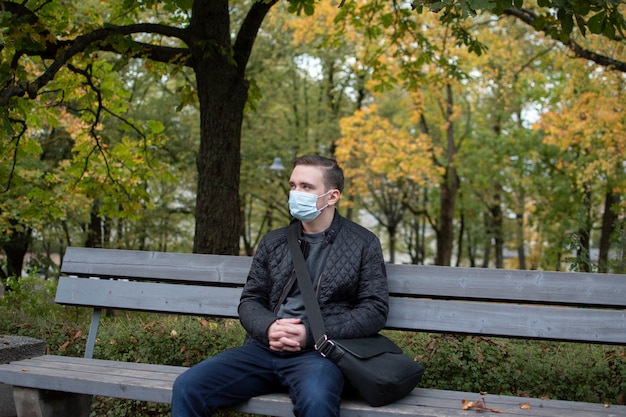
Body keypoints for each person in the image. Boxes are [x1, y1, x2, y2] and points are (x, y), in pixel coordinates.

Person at [172, 155, 388, 417]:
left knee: (317, 402)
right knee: (188, 387)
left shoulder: (363, 243)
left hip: (318, 355)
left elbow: (374, 310)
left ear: (332, 197)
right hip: (263, 348)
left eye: (306, 187)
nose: (296, 193)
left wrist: (309, 334)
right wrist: (269, 327)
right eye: (293, 185)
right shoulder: (273, 242)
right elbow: (251, 300)